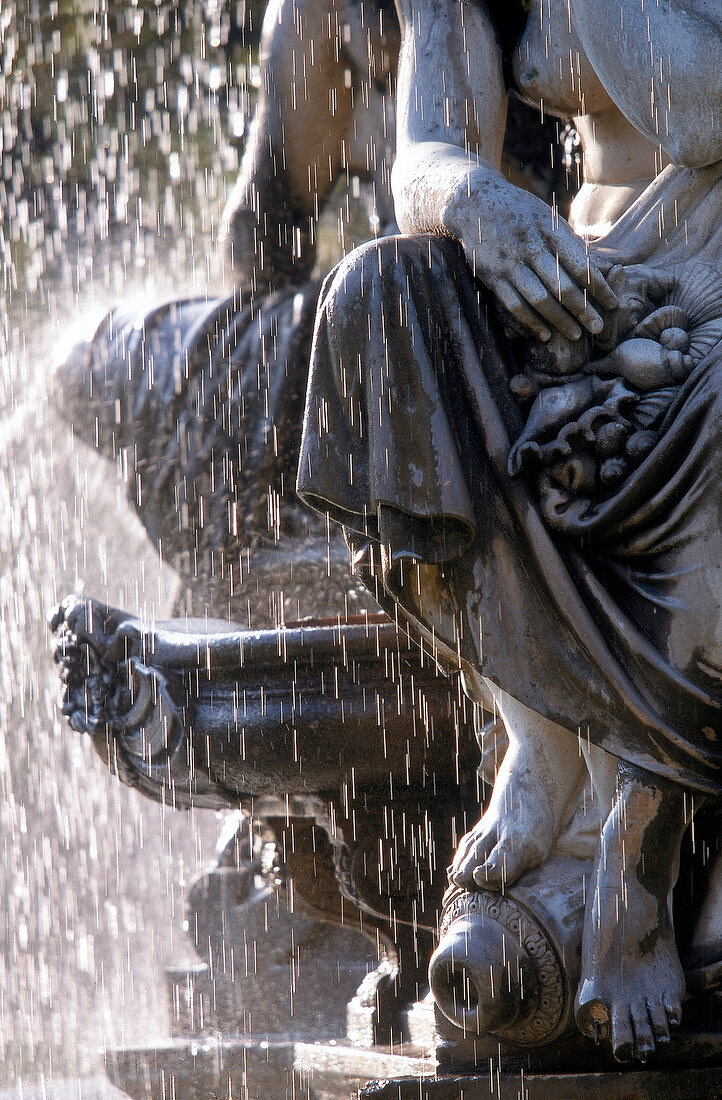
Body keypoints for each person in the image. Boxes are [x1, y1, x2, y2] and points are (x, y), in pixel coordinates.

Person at [296, 0, 722, 1062]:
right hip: (571, 275)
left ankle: (639, 843)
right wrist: (476, 201)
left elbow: (702, 117)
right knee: (377, 298)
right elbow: (423, 155)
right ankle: (537, 750)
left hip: (709, 281)